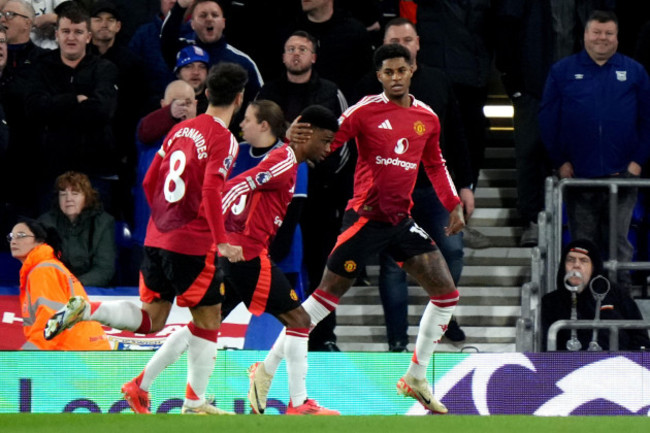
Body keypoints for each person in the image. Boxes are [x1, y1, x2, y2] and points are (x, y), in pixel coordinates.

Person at [248, 44, 464, 415]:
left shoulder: (427, 118)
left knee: (446, 295)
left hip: (401, 221)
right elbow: (328, 140)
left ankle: (415, 376)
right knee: (316, 308)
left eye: (401, 70)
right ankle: (264, 372)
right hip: (364, 221)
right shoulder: (363, 111)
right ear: (379, 76)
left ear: (413, 69)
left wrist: (453, 203)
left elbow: (435, 163)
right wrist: (293, 139)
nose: (395, 78)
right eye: (388, 72)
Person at [44, 62, 249, 415]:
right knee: (209, 320)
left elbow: (149, 180)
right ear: (240, 98)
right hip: (191, 243)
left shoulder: (180, 131)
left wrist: (162, 222)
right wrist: (221, 239)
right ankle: (195, 402)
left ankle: (89, 309)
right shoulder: (225, 139)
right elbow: (213, 189)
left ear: (206, 93)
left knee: (153, 318)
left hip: (157, 237)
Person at [354, 17, 475, 350]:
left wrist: (465, 185)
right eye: (394, 40)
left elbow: (457, 135)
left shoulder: (438, 81)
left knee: (452, 251)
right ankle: (396, 339)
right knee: (393, 267)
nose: (401, 46)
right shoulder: (368, 87)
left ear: (418, 43)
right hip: (389, 194)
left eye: (407, 40)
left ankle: (441, 317)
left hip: (435, 189)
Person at [222, 105, 340, 415]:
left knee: (203, 324)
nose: (328, 150)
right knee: (300, 321)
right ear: (308, 133)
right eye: (326, 141)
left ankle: (142, 384)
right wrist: (217, 236)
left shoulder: (289, 160)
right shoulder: (285, 161)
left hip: (242, 253)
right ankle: (298, 404)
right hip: (247, 255)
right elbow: (234, 188)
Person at [539, 10, 650, 289]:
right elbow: (548, 120)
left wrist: (637, 162)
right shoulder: (562, 71)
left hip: (622, 178)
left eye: (608, 33)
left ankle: (620, 308)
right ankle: (584, 307)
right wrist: (560, 161)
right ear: (585, 35)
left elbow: (648, 120)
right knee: (583, 247)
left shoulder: (635, 72)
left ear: (617, 37)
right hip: (580, 179)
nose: (602, 38)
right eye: (596, 32)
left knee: (619, 246)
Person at [256, 30, 351, 352]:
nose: (296, 54)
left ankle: (324, 335)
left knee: (324, 266)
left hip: (321, 200)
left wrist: (321, 177)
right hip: (276, 198)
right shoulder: (267, 94)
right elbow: (256, 137)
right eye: (290, 48)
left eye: (303, 49)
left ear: (314, 56)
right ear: (283, 57)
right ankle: (275, 335)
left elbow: (345, 142)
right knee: (274, 263)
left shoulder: (331, 92)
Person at [25, 4, 119, 213]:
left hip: (95, 171)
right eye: (66, 31)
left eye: (78, 32)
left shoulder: (105, 69)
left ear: (88, 36)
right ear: (57, 35)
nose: (71, 37)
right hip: (51, 172)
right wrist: (75, 100)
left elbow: (102, 111)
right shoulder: (40, 67)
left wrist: (55, 106)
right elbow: (33, 109)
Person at [232, 99, 307, 288]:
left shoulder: (291, 156)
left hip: (279, 253)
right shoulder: (236, 153)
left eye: (247, 120)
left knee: (281, 314)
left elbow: (291, 215)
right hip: (237, 254)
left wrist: (270, 255)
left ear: (263, 125)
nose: (241, 124)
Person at [160, 0, 263, 132]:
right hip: (181, 133)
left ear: (223, 22)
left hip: (227, 135)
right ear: (192, 24)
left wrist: (236, 131)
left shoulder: (242, 62)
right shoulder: (183, 51)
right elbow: (166, 39)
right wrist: (180, 7)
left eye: (214, 15)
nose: (209, 19)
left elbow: (258, 100)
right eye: (203, 15)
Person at [9, 218, 110, 350]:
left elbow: (51, 326)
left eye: (21, 235)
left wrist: (22, 361)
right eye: (11, 236)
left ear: (40, 240)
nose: (14, 241)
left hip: (76, 356)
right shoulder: (46, 267)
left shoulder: (43, 271)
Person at [89, 1, 148, 222]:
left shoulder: (131, 62)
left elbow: (137, 108)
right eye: (98, 19)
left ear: (119, 26)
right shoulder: (79, 58)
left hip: (120, 149)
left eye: (110, 20)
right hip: (84, 148)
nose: (104, 24)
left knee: (117, 212)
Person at [541, 238, 650, 351]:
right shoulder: (550, 302)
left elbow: (640, 336)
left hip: (617, 364)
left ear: (593, 267)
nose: (576, 265)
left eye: (584, 260)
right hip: (569, 366)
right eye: (570, 260)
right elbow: (544, 347)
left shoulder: (615, 294)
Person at [133, 80, 197, 248]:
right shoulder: (149, 132)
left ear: (196, 105)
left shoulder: (206, 136)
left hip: (188, 237)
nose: (182, 107)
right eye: (175, 102)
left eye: (188, 102)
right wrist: (170, 113)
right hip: (148, 233)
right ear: (163, 104)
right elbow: (145, 130)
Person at [0, 0, 45, 217]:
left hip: (28, 160)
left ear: (28, 23)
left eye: (9, 14)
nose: (2, 18)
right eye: (1, 13)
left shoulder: (44, 61)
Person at [38, 171, 116, 287]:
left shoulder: (103, 223)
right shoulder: (45, 222)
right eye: (63, 194)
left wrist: (73, 284)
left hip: (91, 289)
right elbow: (40, 264)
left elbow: (104, 268)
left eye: (75, 193)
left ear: (87, 197)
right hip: (54, 287)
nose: (68, 199)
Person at [174, 45, 210, 114]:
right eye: (188, 66)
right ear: (178, 73)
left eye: (202, 67)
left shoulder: (216, 104)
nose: (196, 72)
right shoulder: (168, 102)